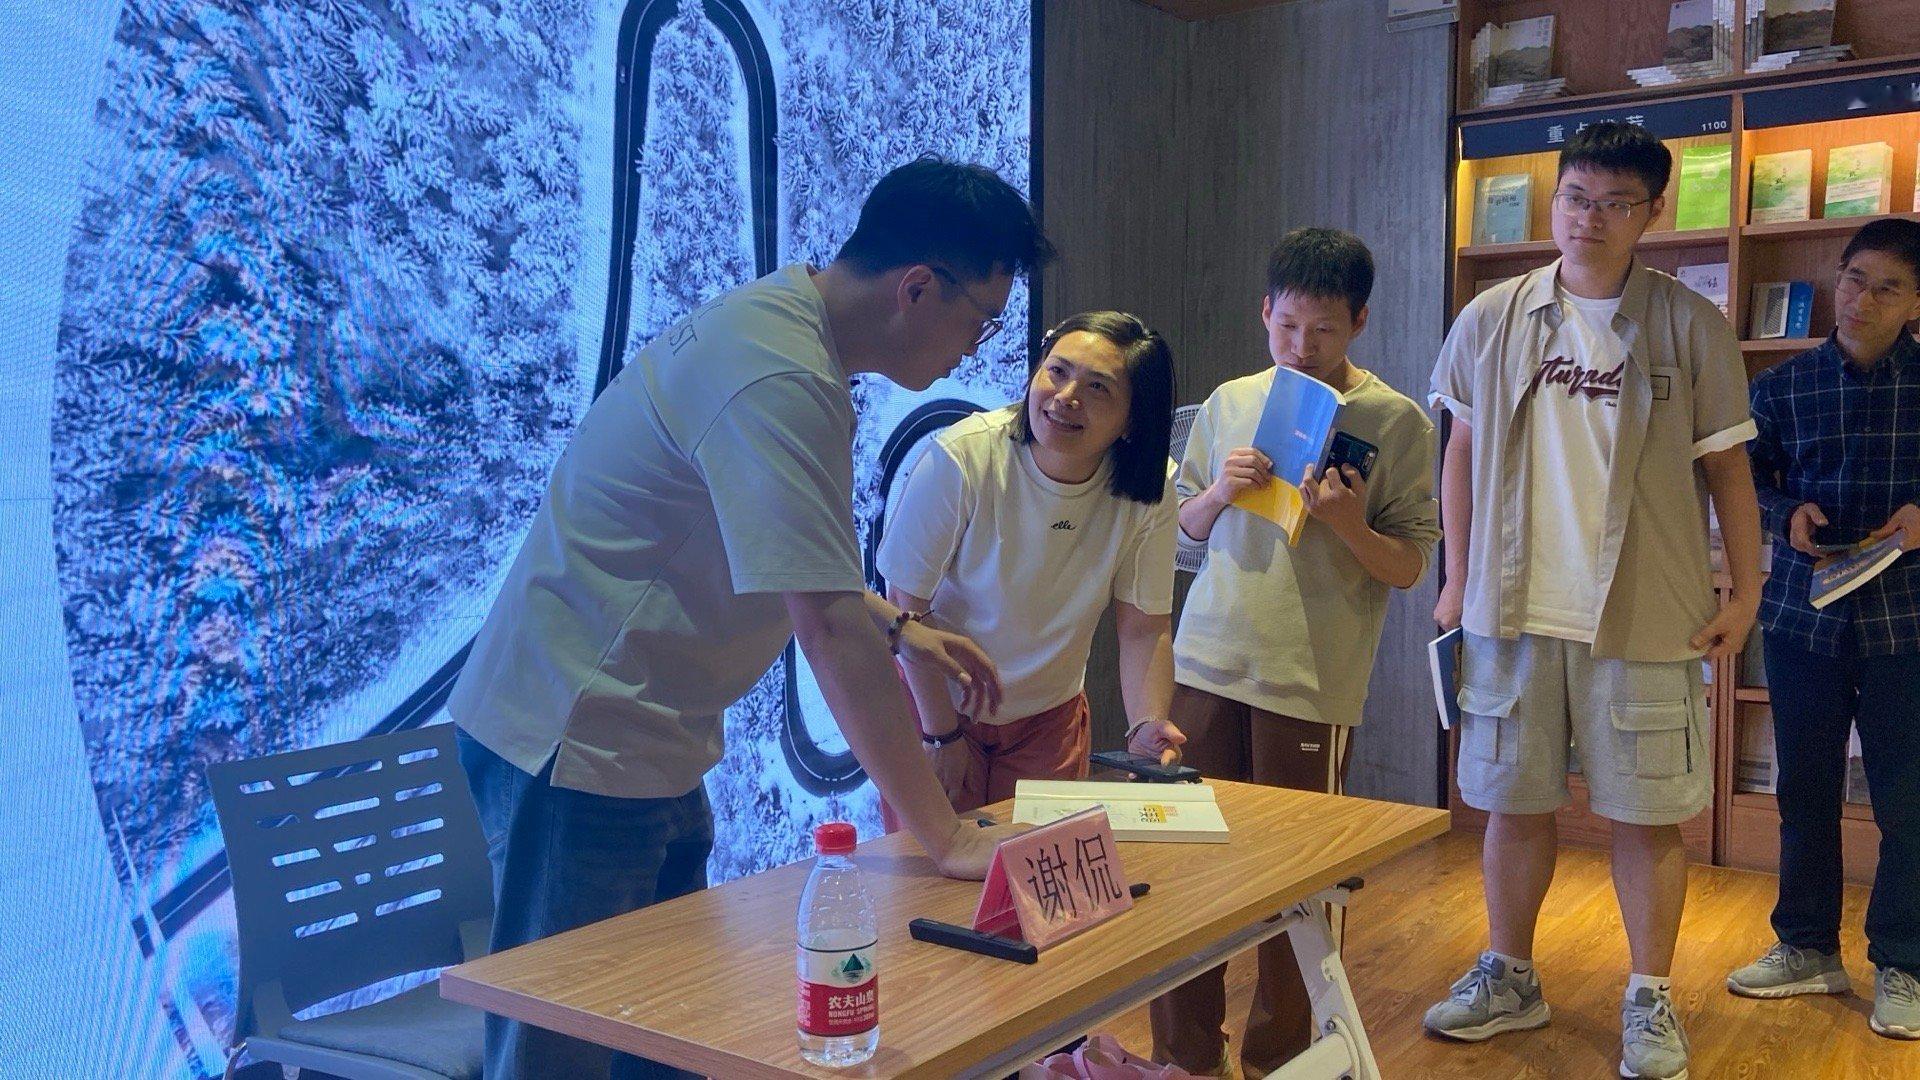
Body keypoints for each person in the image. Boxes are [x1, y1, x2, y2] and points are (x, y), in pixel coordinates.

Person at [447, 156, 1054, 1079]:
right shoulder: (779, 373)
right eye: (982, 319)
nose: (976, 347)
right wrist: (945, 833)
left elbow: (790, 556)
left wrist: (898, 626)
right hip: (576, 741)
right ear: (917, 289)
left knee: (669, 1035)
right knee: (563, 1054)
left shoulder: (784, 330)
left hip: (640, 735)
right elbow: (825, 626)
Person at [1424, 122, 1763, 1080]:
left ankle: (1649, 996)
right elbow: (1460, 450)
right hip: (1512, 607)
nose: (1591, 220)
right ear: (1555, 200)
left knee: (1647, 816)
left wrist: (1746, 589)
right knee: (1511, 805)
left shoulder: (1690, 326)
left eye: (1617, 204)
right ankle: (1510, 974)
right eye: (1577, 198)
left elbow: (1729, 471)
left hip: (1647, 613)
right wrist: (1455, 576)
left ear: (1653, 212)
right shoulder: (1491, 317)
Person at [1148, 227, 1440, 1079]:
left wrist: (1348, 522)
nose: (1301, 348)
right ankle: (1185, 1057)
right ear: (1265, 313)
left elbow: (1410, 566)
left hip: (1311, 680)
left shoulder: (1397, 421)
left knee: (1299, 881)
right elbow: (1179, 532)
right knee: (1186, 867)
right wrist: (1218, 492)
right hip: (1203, 664)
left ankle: (1281, 1060)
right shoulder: (1231, 400)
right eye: (1286, 328)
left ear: (1359, 322)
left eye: (1323, 332)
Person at [874, 310, 1185, 828]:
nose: (1066, 397)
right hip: (934, 705)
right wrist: (941, 734)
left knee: (1038, 869)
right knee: (932, 868)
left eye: (1098, 388)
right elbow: (905, 603)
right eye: (1057, 372)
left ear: (1134, 418)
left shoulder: (1150, 489)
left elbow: (1144, 626)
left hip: (1048, 718)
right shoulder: (964, 457)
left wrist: (1147, 724)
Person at [1727, 216, 1920, 1041]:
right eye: (1853, 279)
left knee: (1908, 799)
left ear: (1915, 303)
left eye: (1887, 288)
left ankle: (1904, 962)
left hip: (1908, 619)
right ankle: (1807, 946)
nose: (1862, 301)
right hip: (1803, 616)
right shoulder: (1783, 385)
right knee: (1802, 789)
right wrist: (1787, 513)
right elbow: (1742, 476)